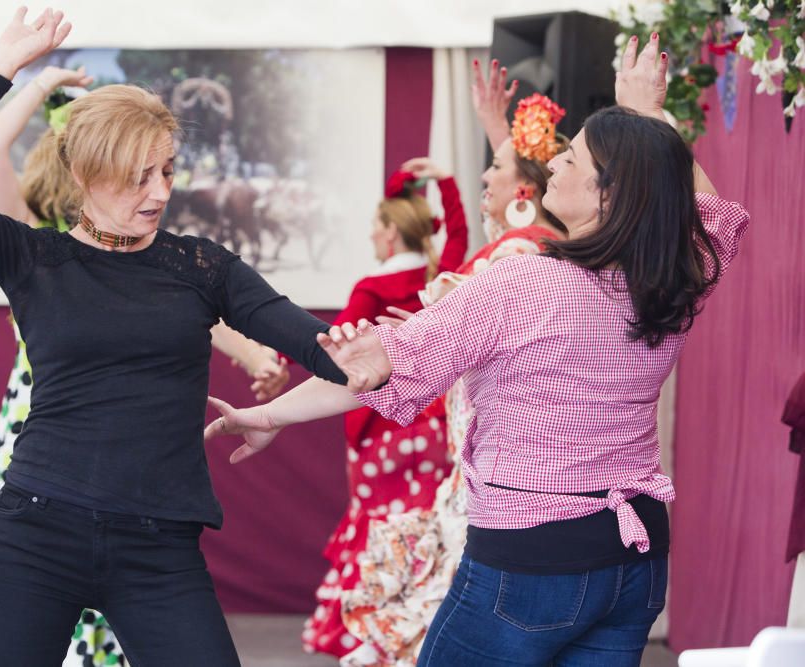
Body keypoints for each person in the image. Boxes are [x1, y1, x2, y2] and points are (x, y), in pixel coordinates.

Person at [205, 34, 750, 666]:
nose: (552, 166)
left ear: (609, 194)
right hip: (637, 557)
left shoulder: (522, 282)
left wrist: (268, 415)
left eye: (570, 160)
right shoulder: (671, 281)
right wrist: (649, 115)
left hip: (533, 558)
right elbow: (714, 215)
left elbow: (376, 361)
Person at [0, 9, 345, 666]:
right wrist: (2, 63)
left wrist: (358, 352)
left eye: (166, 171)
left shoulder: (201, 266)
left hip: (157, 548)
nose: (159, 192)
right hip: (35, 532)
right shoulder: (34, 259)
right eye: (138, 175)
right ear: (84, 174)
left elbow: (311, 339)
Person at [336, 61, 570, 667]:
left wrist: (414, 337)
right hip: (473, 453)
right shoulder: (521, 245)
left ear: (524, 189)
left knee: (458, 611)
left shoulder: (521, 250)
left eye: (494, 167)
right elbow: (514, 199)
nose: (484, 175)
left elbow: (470, 313)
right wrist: (495, 126)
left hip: (497, 461)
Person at [303, 160, 468, 658]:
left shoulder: (370, 290)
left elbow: (333, 357)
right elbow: (459, 232)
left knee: (373, 526)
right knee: (426, 529)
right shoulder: (440, 273)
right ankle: (419, 636)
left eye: (376, 226)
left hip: (382, 428)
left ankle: (367, 637)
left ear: (392, 233)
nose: (372, 235)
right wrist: (446, 184)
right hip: (433, 427)